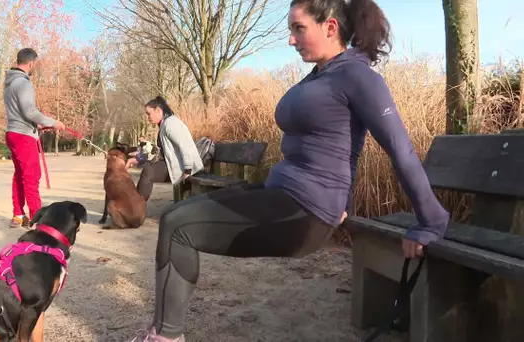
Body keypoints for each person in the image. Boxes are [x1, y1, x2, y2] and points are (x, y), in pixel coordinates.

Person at [128, 0, 450, 341]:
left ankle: (165, 336)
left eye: (299, 29)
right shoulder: (322, 74)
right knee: (176, 214)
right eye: (290, 30)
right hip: (282, 194)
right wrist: (344, 197)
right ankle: (161, 331)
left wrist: (430, 221)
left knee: (179, 226)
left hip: (304, 212)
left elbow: (400, 149)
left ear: (330, 27)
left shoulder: (358, 77)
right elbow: (337, 143)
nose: (292, 40)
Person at [4, 48, 65, 228]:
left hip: (12, 132)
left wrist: (37, 124)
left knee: (20, 175)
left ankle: (18, 214)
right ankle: (38, 220)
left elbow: (20, 112)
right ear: (31, 63)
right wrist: (53, 122)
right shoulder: (23, 83)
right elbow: (29, 111)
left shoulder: (9, 83)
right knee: (31, 177)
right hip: (23, 136)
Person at [126, 96, 203, 202]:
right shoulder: (164, 124)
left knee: (148, 171)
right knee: (148, 171)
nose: (147, 117)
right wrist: (139, 158)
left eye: (149, 113)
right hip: (176, 165)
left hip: (185, 168)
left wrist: (188, 170)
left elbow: (185, 146)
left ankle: (136, 206)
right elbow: (160, 153)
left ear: (158, 110)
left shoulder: (170, 124)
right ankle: (137, 206)